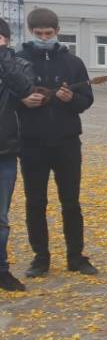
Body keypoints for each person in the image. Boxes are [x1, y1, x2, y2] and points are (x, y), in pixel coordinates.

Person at [17, 8, 97, 278]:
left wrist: (70, 100)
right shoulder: (18, 60)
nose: (43, 38)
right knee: (35, 201)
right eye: (38, 34)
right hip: (31, 142)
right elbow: (7, 98)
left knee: (71, 202)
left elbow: (86, 99)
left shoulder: (72, 62)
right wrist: (23, 101)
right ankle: (41, 257)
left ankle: (76, 256)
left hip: (66, 142)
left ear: (57, 32)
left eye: (48, 33)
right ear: (31, 32)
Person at [0, 20, 34, 292]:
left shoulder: (17, 64)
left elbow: (25, 88)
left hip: (4, 150)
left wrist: (4, 59)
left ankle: (1, 269)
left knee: (0, 217)